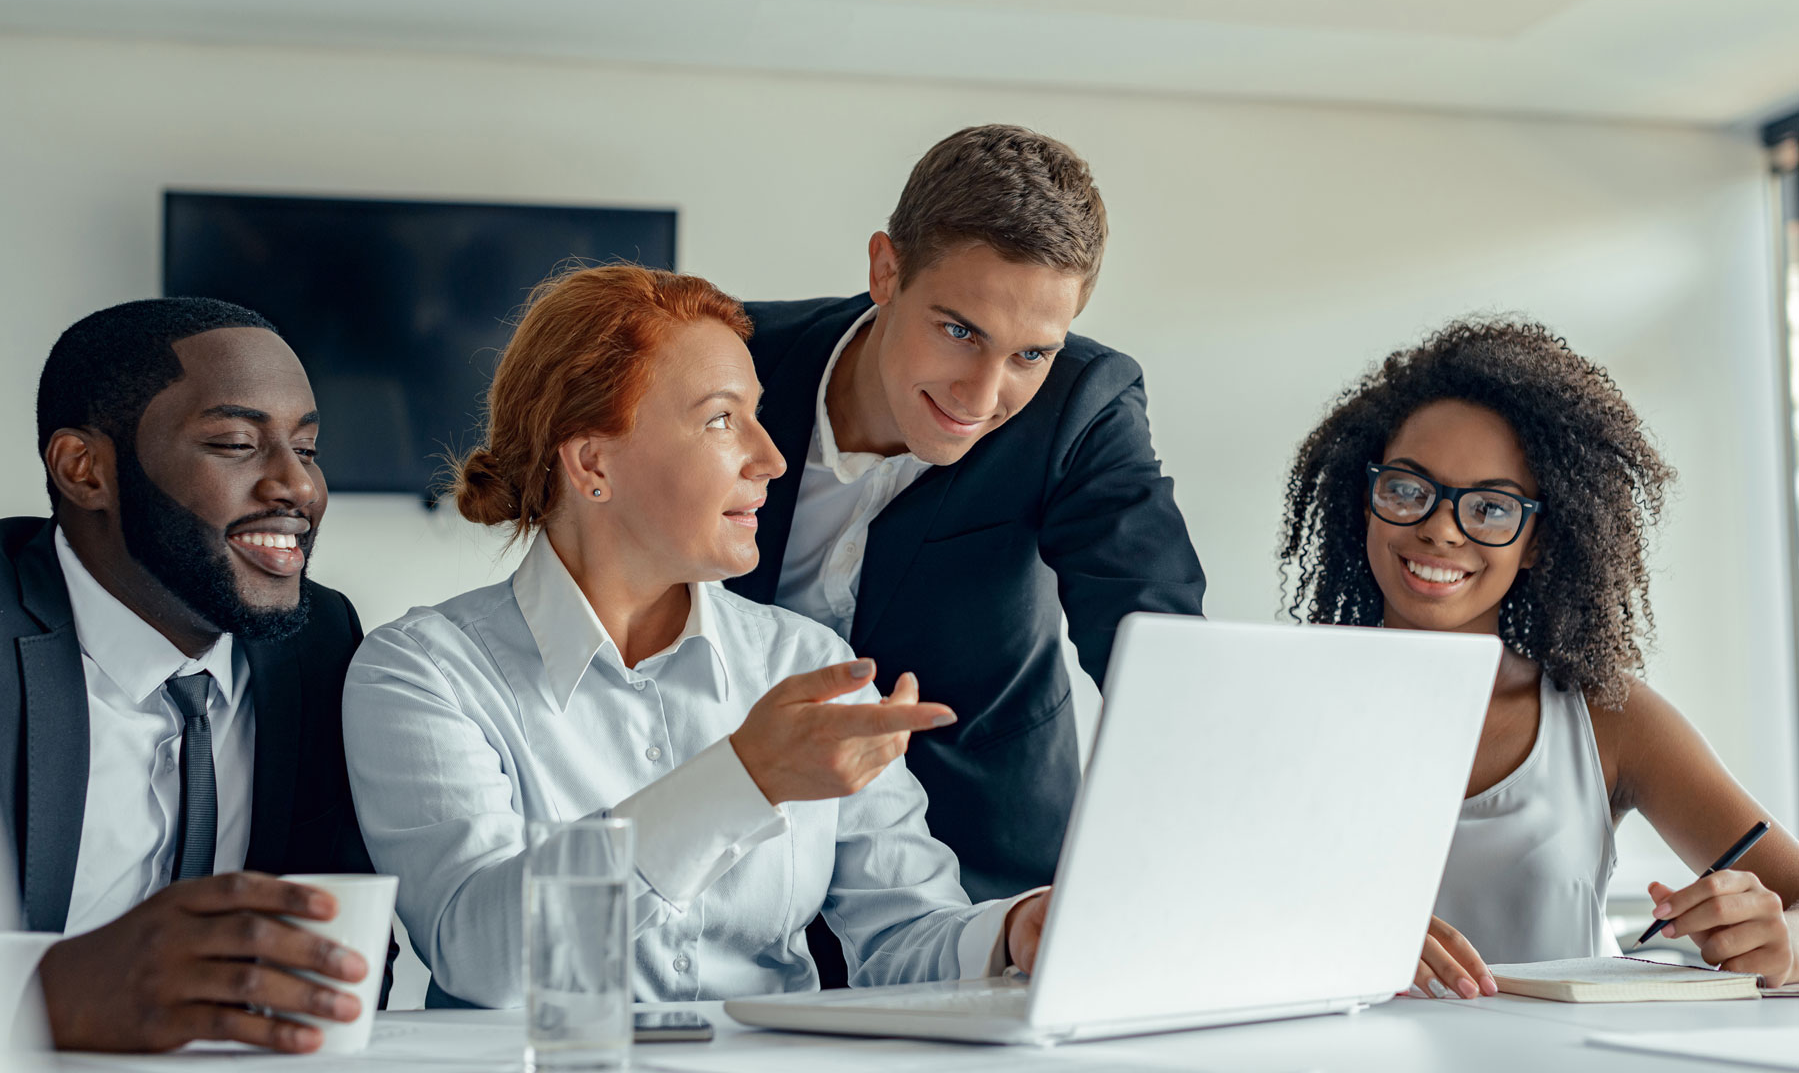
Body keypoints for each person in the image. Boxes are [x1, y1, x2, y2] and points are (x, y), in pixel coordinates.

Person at [342, 265, 1051, 1008]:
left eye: (758, 415)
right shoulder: (423, 672)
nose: (771, 459)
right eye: (721, 419)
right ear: (592, 462)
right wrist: (743, 778)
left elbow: (904, 936)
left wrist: (1013, 932)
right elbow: (482, 958)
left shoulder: (807, 663)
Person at [729, 124, 1206, 912]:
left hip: (983, 873)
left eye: (1030, 355)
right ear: (886, 270)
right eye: (959, 332)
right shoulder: (734, 360)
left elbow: (1156, 646)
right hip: (737, 859)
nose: (980, 399)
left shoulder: (1081, 405)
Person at [1279, 317, 1799, 998]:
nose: (1438, 528)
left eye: (1490, 508)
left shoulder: (1609, 717)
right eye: (1406, 489)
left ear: (1538, 539)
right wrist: (1329, 932)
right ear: (1365, 500)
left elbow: (1789, 906)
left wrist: (1779, 942)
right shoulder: (1277, 698)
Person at [0, 298, 386, 1052]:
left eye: (306, 450)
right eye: (237, 443)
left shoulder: (319, 639)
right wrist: (45, 993)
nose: (298, 489)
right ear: (85, 470)